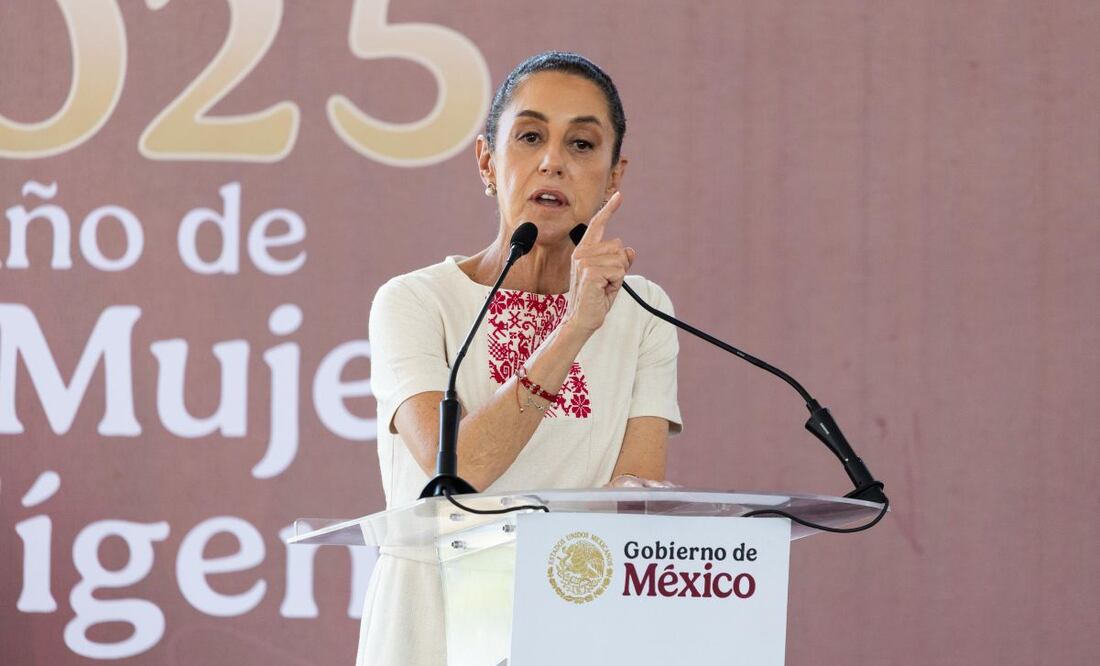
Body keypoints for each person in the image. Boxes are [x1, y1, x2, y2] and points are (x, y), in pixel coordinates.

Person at [357, 51, 682, 666]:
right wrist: (575, 329)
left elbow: (633, 501)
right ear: (487, 159)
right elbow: (455, 475)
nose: (553, 161)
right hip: (434, 630)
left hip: (575, 629)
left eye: (583, 145)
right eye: (530, 136)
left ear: (615, 176)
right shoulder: (415, 301)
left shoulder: (644, 310)